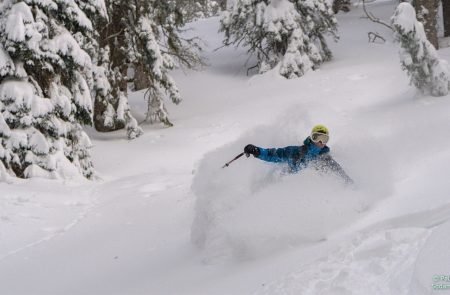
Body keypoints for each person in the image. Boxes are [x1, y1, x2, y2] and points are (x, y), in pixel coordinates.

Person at [243, 125, 353, 184]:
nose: (320, 142)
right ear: (311, 138)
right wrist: (256, 151)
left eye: (324, 139)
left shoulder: (326, 160)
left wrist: (353, 191)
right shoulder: (295, 151)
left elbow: (342, 177)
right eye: (317, 137)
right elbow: (273, 154)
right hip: (286, 187)